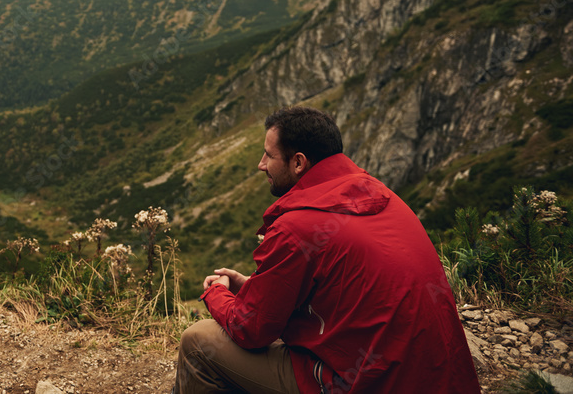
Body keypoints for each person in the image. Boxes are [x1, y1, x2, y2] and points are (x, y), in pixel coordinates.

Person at [173, 106, 480, 393]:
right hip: (443, 379)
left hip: (367, 383)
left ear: (298, 162)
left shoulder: (296, 227)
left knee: (197, 341)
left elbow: (251, 331)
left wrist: (216, 293)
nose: (261, 164)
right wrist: (253, 288)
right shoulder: (382, 196)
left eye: (269, 155)